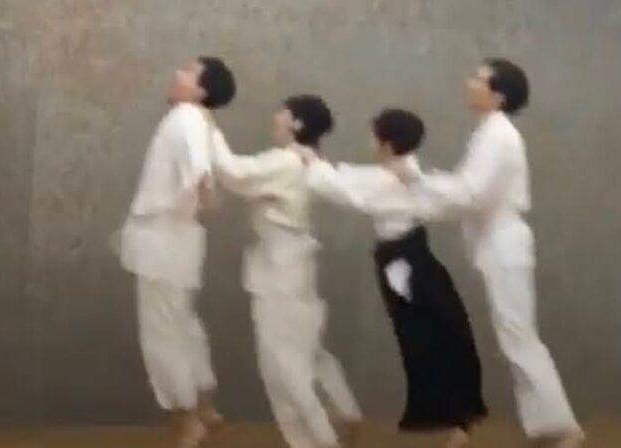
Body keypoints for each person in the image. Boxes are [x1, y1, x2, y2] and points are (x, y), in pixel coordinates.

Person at [400, 59, 583, 448]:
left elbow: (470, 193)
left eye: (478, 79)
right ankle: (549, 426)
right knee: (515, 336)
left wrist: (418, 180)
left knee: (518, 336)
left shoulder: (499, 136)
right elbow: (466, 194)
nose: (469, 83)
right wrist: (420, 190)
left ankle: (563, 427)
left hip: (504, 244)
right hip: (496, 243)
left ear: (498, 96)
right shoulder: (489, 133)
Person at [299, 108, 486, 448]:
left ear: (386, 143)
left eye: (373, 134)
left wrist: (312, 162)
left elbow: (343, 189)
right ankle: (458, 418)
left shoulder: (396, 178)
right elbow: (351, 178)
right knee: (437, 336)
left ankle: (459, 418)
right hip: (410, 259)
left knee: (430, 339)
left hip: (406, 263)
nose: (368, 140)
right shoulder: (399, 172)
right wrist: (318, 163)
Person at [210, 95, 361, 448]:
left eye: (283, 112)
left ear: (297, 124)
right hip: (293, 266)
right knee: (306, 351)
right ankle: (342, 412)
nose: (275, 117)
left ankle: (319, 441)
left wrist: (209, 129)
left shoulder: (286, 161)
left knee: (282, 364)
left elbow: (234, 173)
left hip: (280, 272)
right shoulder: (304, 161)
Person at [118, 57, 236, 448]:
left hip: (164, 239)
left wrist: (193, 201)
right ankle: (203, 405)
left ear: (201, 89)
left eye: (187, 71)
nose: (177, 74)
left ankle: (186, 417)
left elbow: (200, 172)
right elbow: (223, 170)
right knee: (182, 323)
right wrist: (200, 202)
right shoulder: (204, 122)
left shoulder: (186, 117)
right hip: (178, 240)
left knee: (162, 329)